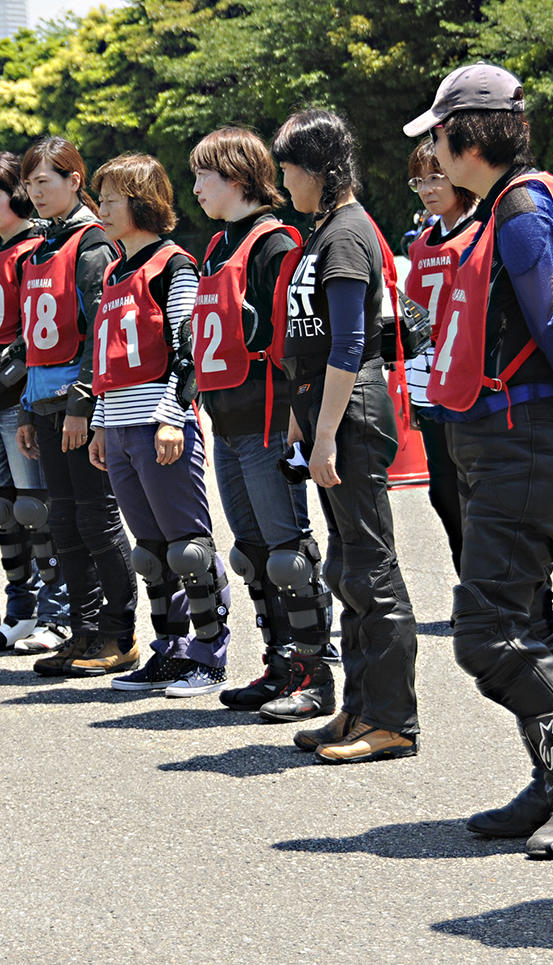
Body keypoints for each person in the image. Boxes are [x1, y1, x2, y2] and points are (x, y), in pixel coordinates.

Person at [403, 62, 553, 857]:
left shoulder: (520, 209)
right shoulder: (504, 206)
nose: (434, 149)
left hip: (526, 436)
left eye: (440, 133)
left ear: (468, 137)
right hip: (493, 434)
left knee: (485, 629)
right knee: (525, 614)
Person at [273, 109, 421, 760]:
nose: (284, 185)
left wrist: (326, 431)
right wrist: (303, 417)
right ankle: (357, 710)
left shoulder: (346, 235)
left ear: (317, 171)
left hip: (353, 409)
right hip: (330, 408)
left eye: (288, 171)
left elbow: (351, 342)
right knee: (347, 565)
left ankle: (391, 719)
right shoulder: (326, 230)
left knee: (371, 566)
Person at [185, 127, 331, 714]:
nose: (194, 188)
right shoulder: (216, 245)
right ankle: (278, 665)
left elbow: (296, 338)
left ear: (239, 179)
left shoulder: (275, 244)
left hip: (269, 422)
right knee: (250, 552)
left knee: (287, 554)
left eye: (204, 176)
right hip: (228, 423)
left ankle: (315, 676)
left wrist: (299, 422)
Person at [84, 152, 229, 697]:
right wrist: (100, 424)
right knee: (151, 551)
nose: (102, 208)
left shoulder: (173, 264)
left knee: (188, 547)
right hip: (118, 427)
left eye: (112, 198)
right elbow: (108, 358)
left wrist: (172, 417)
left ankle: (209, 656)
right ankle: (167, 651)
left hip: (160, 424)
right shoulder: (114, 270)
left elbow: (186, 352)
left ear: (142, 201)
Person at [15, 137, 138, 677]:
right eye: (30, 183)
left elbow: (100, 334)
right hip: (43, 403)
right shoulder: (41, 245)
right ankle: (83, 631)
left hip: (79, 406)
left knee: (96, 519)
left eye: (46, 181)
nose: (35, 192)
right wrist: (25, 407)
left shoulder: (91, 244)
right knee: (62, 523)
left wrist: (81, 404)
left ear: (74, 180)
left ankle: (119, 633)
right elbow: (30, 339)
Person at [0, 152, 71, 652]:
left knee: (34, 508)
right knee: (2, 508)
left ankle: (56, 613)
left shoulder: (35, 250)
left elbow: (30, 337)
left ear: (19, 194)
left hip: (14, 398)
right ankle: (19, 610)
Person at [400, 138, 479, 575]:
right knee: (443, 490)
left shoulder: (480, 231)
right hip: (427, 380)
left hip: (466, 378)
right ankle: (466, 579)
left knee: (474, 486)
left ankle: (490, 586)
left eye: (436, 177)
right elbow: (413, 321)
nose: (428, 189)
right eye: (419, 181)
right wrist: (411, 389)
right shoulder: (422, 242)